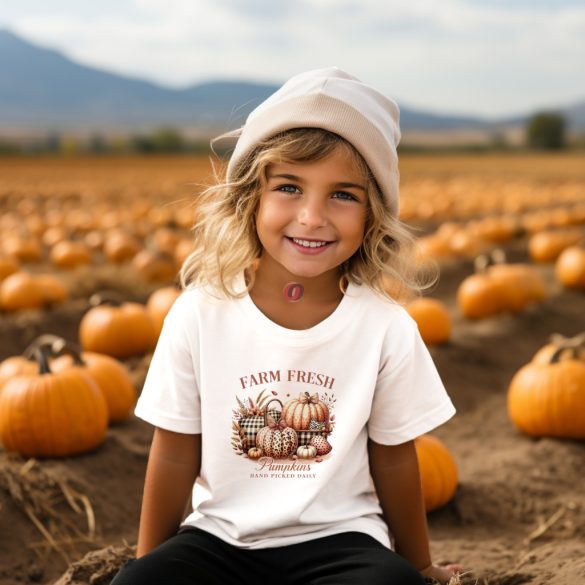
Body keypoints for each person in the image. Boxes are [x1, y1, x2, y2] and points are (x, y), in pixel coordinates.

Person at [111, 67, 462, 585]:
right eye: (290, 188)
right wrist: (149, 564)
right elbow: (174, 449)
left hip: (341, 541)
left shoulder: (385, 327)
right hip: (220, 539)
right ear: (250, 197)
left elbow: (393, 459)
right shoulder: (199, 313)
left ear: (373, 216)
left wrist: (418, 565)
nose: (312, 217)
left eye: (344, 195)